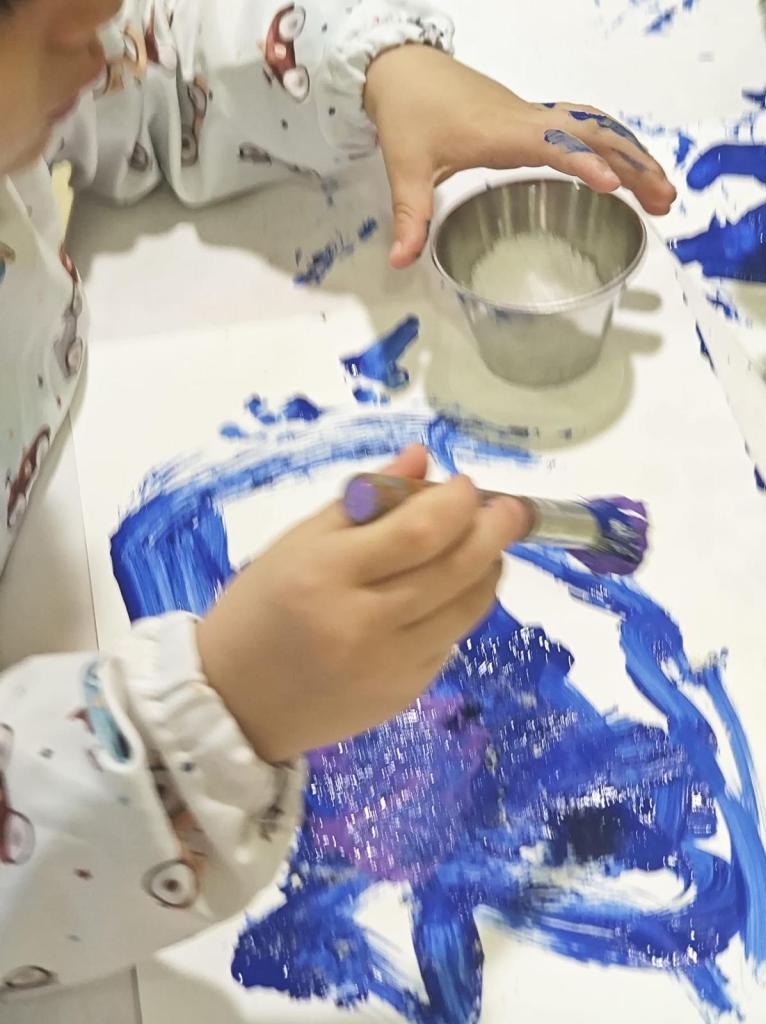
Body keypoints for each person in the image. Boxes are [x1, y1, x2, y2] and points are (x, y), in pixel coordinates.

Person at [0, 0, 677, 996]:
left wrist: (371, 69)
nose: (91, 14)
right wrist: (214, 718)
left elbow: (146, 60)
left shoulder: (54, 46)